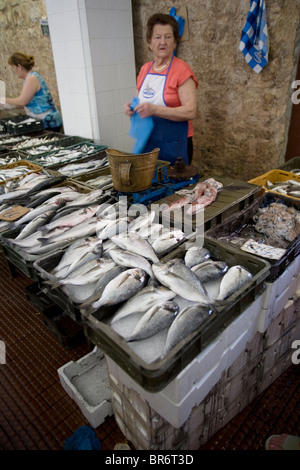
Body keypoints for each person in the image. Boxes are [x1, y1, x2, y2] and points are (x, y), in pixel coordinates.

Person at [124, 13, 198, 165]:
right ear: (150, 43)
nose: (162, 42)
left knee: (174, 186)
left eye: (168, 37)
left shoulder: (182, 70)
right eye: (157, 37)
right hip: (148, 143)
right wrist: (132, 108)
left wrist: (155, 110)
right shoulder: (145, 69)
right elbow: (141, 101)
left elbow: (191, 111)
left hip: (174, 146)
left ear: (175, 42)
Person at [0, 52, 63, 132]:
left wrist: (3, 100)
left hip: (49, 122)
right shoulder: (29, 79)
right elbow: (30, 103)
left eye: (13, 67)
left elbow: (22, 101)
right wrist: (10, 106)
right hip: (43, 121)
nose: (14, 71)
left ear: (19, 67)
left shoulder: (32, 78)